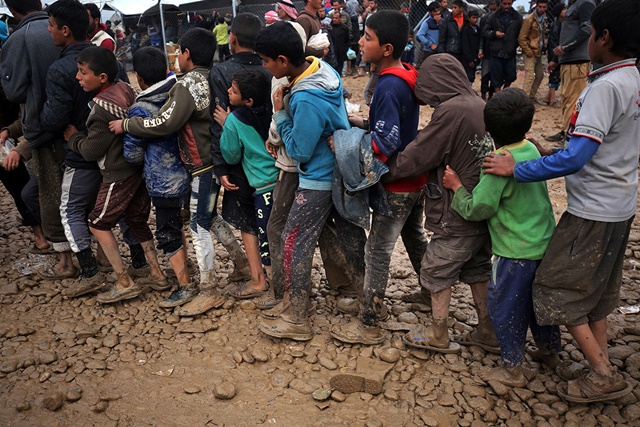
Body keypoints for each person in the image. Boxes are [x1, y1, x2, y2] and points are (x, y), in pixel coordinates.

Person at [482, 0, 640, 403]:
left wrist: (515, 169)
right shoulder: (633, 78)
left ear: (603, 38)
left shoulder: (604, 88)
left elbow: (576, 157)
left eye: (591, 33)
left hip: (592, 210)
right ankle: (596, 359)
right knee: (598, 290)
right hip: (620, 204)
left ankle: (603, 375)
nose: (588, 40)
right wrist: (544, 154)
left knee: (554, 286)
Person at [255, 21, 366, 341]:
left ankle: (297, 317)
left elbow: (301, 151)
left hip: (318, 176)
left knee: (294, 240)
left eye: (266, 61)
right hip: (341, 168)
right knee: (350, 236)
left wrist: (280, 114)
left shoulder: (304, 98)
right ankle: (368, 303)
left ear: (283, 60)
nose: (264, 67)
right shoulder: (324, 69)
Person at [443, 88, 561, 386]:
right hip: (544, 244)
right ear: (528, 125)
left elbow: (478, 208)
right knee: (540, 303)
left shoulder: (496, 164)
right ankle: (549, 350)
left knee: (506, 306)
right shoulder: (531, 150)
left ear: (487, 128)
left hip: (514, 253)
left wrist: (456, 187)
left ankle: (512, 368)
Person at [386, 54, 498, 354]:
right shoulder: (477, 103)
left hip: (455, 210)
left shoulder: (451, 110)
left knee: (436, 268)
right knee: (477, 267)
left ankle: (438, 332)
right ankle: (488, 329)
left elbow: (422, 154)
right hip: (480, 204)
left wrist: (385, 168)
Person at [110, 29, 226, 313]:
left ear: (186, 53)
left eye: (179, 52)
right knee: (209, 218)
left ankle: (205, 288)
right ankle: (244, 266)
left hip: (196, 167)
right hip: (210, 163)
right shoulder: (211, 77)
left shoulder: (186, 85)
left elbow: (165, 123)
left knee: (195, 228)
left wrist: (126, 126)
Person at [330, 11, 428, 345]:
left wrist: (346, 143)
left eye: (367, 38)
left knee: (377, 251)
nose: (360, 41)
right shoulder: (406, 73)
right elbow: (393, 126)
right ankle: (430, 293)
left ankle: (369, 322)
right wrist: (367, 123)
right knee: (414, 237)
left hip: (397, 183)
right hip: (415, 177)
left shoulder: (388, 85)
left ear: (386, 48)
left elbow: (384, 143)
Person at [65, 46, 164, 304]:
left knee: (97, 223)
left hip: (118, 173)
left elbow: (90, 150)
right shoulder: (124, 88)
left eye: (82, 72)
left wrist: (73, 137)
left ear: (102, 79)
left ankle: (123, 280)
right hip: (137, 168)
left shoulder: (101, 110)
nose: (78, 77)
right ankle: (156, 273)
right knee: (137, 219)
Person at [42, 0, 113, 295]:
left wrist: (41, 119)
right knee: (106, 209)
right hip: (110, 152)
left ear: (66, 30)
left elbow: (55, 116)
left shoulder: (60, 69)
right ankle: (123, 262)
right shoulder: (106, 60)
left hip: (78, 154)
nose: (48, 31)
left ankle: (89, 271)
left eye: (51, 25)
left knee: (70, 209)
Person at [1, 0, 71, 278]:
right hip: (73, 128)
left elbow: (15, 91)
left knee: (49, 193)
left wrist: (23, 142)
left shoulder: (19, 39)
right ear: (40, 3)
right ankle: (94, 255)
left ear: (11, 8)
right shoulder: (69, 33)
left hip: (44, 131)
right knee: (76, 193)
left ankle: (67, 261)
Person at [209, 13, 271, 308]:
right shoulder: (271, 69)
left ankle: (258, 278)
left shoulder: (222, 74)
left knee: (250, 224)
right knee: (276, 227)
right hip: (278, 167)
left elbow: (218, 124)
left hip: (244, 169)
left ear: (231, 38)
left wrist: (221, 166)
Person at [123, 47, 192, 301]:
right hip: (189, 173)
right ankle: (189, 267)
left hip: (163, 181)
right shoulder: (179, 93)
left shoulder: (140, 109)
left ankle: (184, 285)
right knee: (180, 224)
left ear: (139, 77)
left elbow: (132, 153)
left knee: (167, 231)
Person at [217, 69, 277, 291]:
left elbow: (231, 154)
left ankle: (269, 286)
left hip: (263, 188)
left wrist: (226, 125)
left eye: (233, 91)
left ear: (248, 100)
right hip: (284, 181)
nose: (228, 92)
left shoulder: (234, 119)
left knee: (266, 239)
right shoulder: (274, 109)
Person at [544, 0, 595, 142]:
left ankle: (570, 135)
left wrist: (566, 47)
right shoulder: (573, 5)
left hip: (577, 60)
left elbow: (587, 29)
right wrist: (555, 58)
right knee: (567, 97)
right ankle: (565, 130)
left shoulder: (585, 4)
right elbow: (566, 35)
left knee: (574, 98)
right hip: (568, 60)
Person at [483, 0, 523, 92]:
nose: (507, 6)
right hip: (496, 51)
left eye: (509, 4)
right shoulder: (493, 16)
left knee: (511, 75)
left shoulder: (517, 17)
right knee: (496, 76)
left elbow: (521, 34)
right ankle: (498, 95)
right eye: (505, 4)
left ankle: (505, 91)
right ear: (500, 3)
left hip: (510, 51)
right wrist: (494, 33)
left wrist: (514, 45)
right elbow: (485, 32)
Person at [518, 0, 549, 101]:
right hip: (531, 51)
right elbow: (521, 37)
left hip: (537, 51)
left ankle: (531, 96)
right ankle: (524, 99)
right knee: (530, 76)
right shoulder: (529, 19)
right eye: (540, 7)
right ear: (536, 6)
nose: (542, 9)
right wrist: (528, 50)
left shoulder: (543, 18)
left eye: (544, 7)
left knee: (539, 75)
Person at [544, 3, 566, 106]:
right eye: (564, 9)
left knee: (557, 75)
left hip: (557, 52)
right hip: (555, 52)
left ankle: (547, 97)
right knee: (554, 74)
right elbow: (554, 42)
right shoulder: (557, 25)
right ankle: (552, 99)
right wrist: (555, 56)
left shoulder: (562, 23)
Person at [479, 0, 499, 100]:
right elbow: (482, 36)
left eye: (494, 10)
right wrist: (481, 49)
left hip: (498, 52)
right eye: (490, 10)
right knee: (485, 75)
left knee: (494, 75)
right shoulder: (484, 19)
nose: (492, 12)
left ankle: (491, 96)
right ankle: (483, 95)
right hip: (487, 51)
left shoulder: (501, 19)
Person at [437, 0, 465, 65]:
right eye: (452, 7)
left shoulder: (466, 19)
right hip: (451, 51)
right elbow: (442, 38)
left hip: (464, 52)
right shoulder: (447, 20)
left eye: (455, 8)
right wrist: (442, 53)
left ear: (461, 9)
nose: (453, 10)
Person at [461, 9, 482, 84]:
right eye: (473, 18)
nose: (475, 20)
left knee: (472, 75)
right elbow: (465, 45)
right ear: (469, 18)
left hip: (475, 56)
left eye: (476, 18)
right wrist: (469, 59)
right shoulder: (466, 29)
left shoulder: (477, 29)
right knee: (468, 76)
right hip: (467, 58)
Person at [329, 10, 350, 75]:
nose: (334, 19)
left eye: (336, 18)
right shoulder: (329, 28)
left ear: (340, 18)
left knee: (339, 70)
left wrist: (345, 50)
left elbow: (347, 41)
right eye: (333, 18)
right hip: (331, 54)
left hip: (341, 53)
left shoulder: (344, 28)